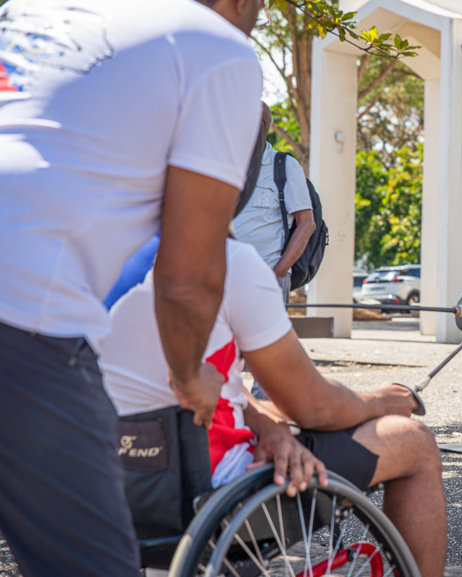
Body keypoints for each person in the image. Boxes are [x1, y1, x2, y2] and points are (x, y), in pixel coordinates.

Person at [0, 0, 264, 575]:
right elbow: (188, 278)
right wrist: (192, 379)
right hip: (22, 314)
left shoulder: (32, 11)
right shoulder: (217, 48)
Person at [100, 236, 447, 577]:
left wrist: (269, 425)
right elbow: (315, 406)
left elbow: (211, 383)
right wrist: (380, 401)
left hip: (103, 494)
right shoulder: (228, 261)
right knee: (413, 442)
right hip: (208, 500)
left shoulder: (83, 257)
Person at [234, 103, 316, 304]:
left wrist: (277, 273)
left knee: (264, 337)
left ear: (260, 126)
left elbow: (307, 224)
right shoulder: (228, 164)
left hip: (268, 280)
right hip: (226, 278)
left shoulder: (284, 166)